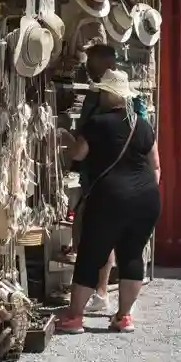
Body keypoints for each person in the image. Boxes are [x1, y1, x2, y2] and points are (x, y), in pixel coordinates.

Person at [58, 70, 162, 334]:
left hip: (110, 197)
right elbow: (156, 166)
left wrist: (67, 142)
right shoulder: (142, 124)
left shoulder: (97, 123)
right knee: (132, 255)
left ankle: (75, 317)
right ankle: (124, 316)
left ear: (107, 94)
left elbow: (79, 154)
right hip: (146, 197)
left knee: (91, 255)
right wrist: (142, 189)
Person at [67, 43, 118, 312]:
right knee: (92, 231)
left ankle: (95, 291)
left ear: (104, 63)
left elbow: (86, 140)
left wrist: (73, 148)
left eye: (91, 60)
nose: (87, 65)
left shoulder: (103, 100)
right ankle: (96, 290)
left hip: (98, 175)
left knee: (94, 234)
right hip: (98, 175)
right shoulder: (103, 97)